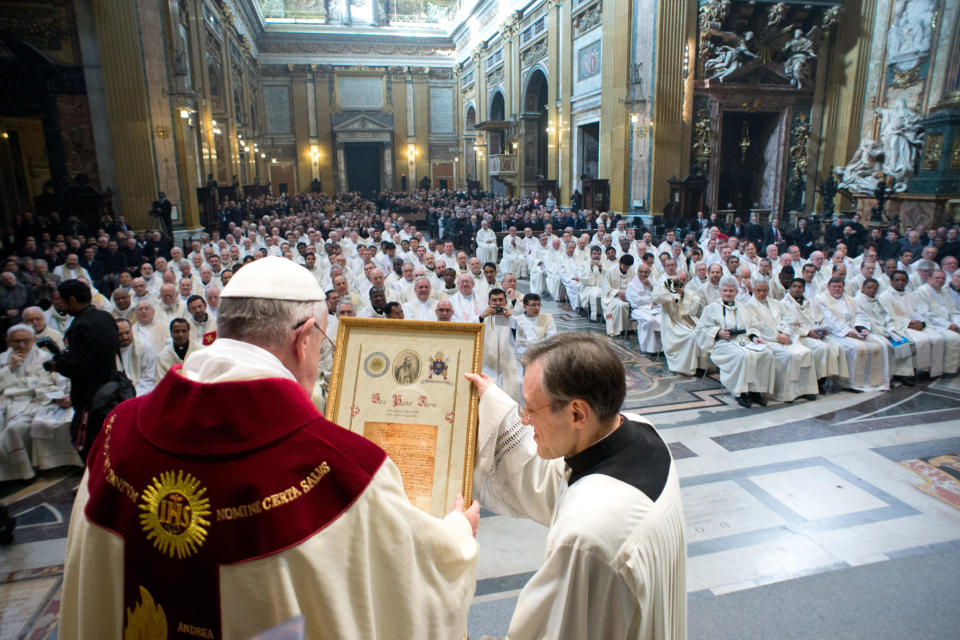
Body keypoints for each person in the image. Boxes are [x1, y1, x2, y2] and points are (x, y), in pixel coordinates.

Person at [60, 256, 480, 639]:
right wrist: (460, 532)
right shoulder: (342, 470)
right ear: (302, 339)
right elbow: (413, 585)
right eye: (321, 344)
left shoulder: (118, 433)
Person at [465, 332, 686, 639]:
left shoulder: (585, 538)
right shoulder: (638, 430)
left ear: (577, 413)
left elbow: (554, 631)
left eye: (529, 409)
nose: (525, 420)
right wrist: (493, 403)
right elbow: (547, 475)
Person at [42, 279, 120, 462]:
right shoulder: (105, 317)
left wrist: (59, 365)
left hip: (91, 396)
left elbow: (80, 366)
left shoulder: (80, 326)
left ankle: (95, 483)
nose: (61, 304)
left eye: (62, 300)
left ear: (71, 299)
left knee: (88, 445)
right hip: (112, 387)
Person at [695, 275, 776, 408]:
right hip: (722, 343)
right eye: (725, 290)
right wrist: (717, 332)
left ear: (736, 292)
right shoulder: (711, 308)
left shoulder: (744, 307)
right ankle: (741, 393)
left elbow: (753, 325)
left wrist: (754, 336)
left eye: (731, 291)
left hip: (744, 340)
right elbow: (701, 329)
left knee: (766, 353)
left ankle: (756, 391)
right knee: (742, 356)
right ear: (720, 291)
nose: (728, 293)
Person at [480, 288, 522, 402]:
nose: (498, 303)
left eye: (500, 300)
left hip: (508, 366)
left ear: (506, 302)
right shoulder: (482, 318)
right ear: (489, 303)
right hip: (488, 367)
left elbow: (520, 339)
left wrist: (512, 319)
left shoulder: (513, 318)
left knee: (512, 393)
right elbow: (473, 332)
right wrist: (481, 318)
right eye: (494, 300)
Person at [115, 318, 157, 396]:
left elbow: (149, 379)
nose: (125, 337)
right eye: (120, 334)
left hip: (141, 393)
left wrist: (132, 396)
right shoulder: (110, 350)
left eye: (127, 333)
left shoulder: (145, 347)